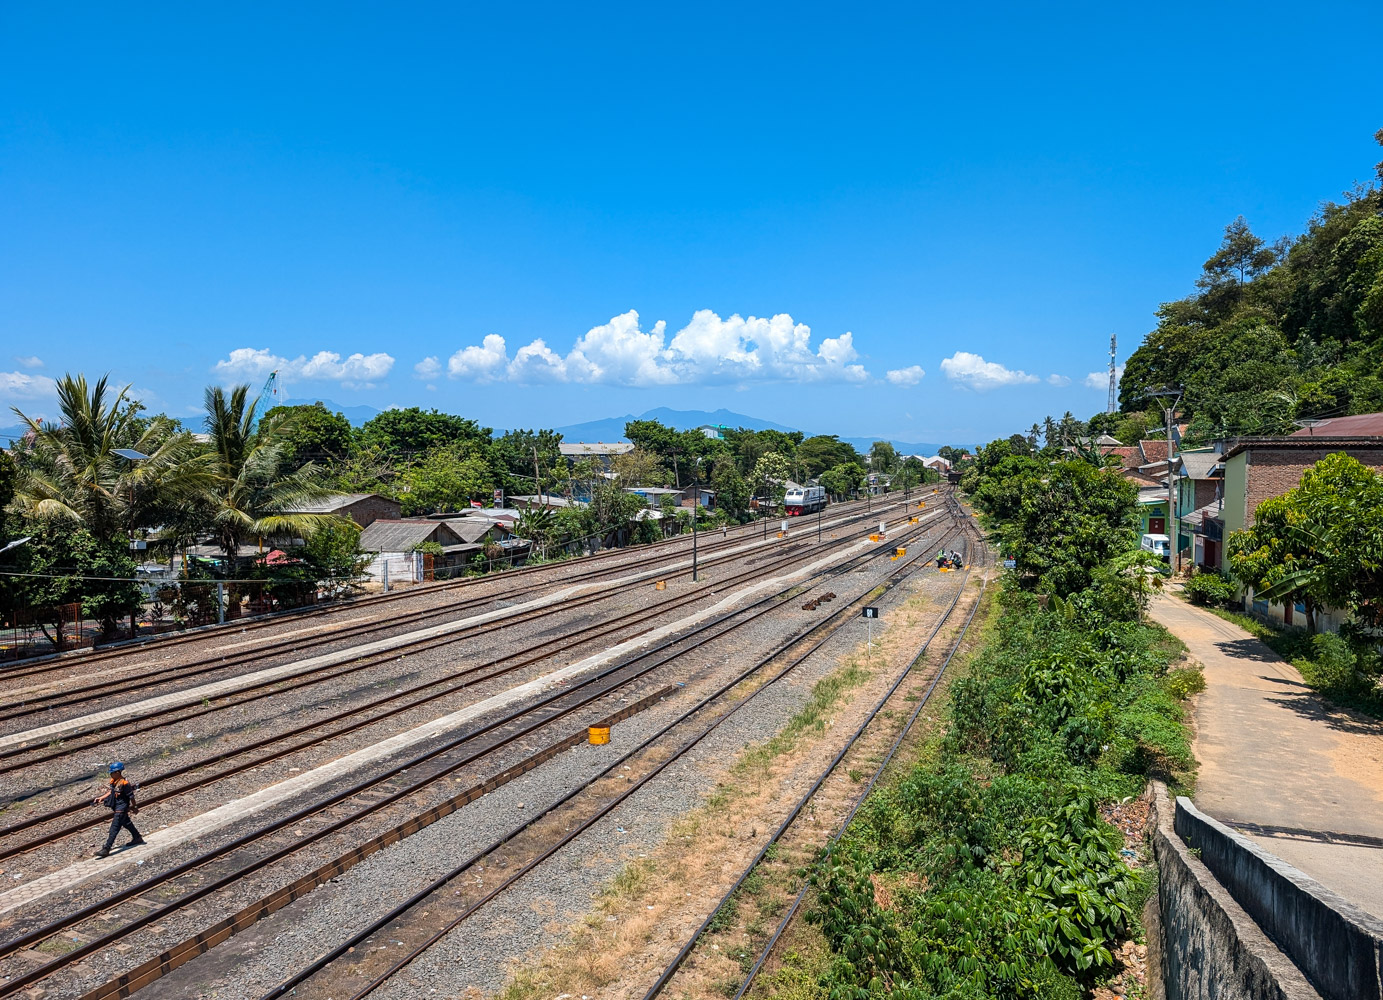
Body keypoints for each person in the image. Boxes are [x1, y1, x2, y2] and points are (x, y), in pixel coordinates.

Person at [93, 762, 145, 858]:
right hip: (116, 806)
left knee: (114, 828)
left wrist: (135, 807)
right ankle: (137, 837)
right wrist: (101, 798)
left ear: (118, 772)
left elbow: (131, 797)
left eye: (112, 772)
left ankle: (106, 848)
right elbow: (111, 792)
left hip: (122, 808)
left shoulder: (125, 784)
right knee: (127, 823)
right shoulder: (114, 781)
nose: (110, 774)